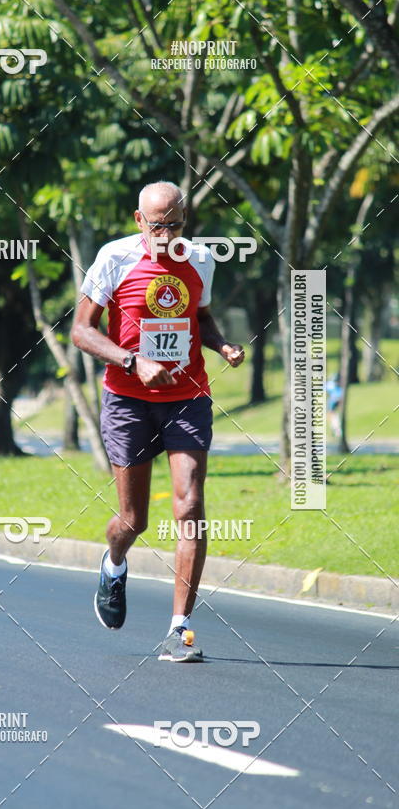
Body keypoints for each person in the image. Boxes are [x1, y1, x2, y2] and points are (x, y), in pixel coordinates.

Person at [71, 181, 245, 662]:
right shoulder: (114, 258)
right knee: (132, 519)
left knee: (189, 506)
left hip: (187, 396)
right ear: (138, 220)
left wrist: (221, 344)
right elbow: (80, 331)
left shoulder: (201, 259)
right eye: (157, 224)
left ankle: (180, 628)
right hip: (128, 400)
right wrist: (131, 361)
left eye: (175, 223)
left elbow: (201, 319)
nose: (166, 233)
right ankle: (114, 562)